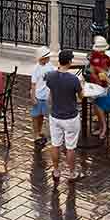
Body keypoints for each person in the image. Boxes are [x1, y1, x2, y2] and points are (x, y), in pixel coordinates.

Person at [41, 49, 84, 188]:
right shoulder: (74, 80)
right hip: (70, 117)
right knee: (71, 147)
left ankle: (56, 171)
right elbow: (81, 97)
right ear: (70, 62)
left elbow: (49, 86)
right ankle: (71, 173)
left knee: (55, 144)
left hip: (55, 116)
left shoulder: (51, 76)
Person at [28, 50, 56, 151]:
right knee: (36, 116)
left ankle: (39, 131)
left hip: (46, 96)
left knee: (41, 116)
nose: (49, 58)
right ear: (42, 58)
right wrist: (33, 96)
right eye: (47, 57)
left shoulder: (50, 65)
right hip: (38, 96)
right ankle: (36, 134)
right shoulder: (36, 68)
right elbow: (33, 84)